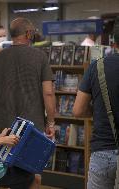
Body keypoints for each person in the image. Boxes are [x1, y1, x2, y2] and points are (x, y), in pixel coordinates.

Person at [0, 17, 56, 187]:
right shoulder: (40, 57)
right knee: (31, 176)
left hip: (4, 129)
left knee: (3, 175)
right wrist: (51, 122)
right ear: (28, 33)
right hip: (32, 130)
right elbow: (48, 93)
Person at [73, 17, 119, 189]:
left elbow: (78, 110)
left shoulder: (97, 67)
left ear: (113, 42)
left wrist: (99, 111)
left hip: (103, 151)